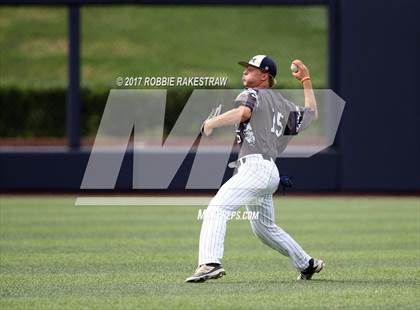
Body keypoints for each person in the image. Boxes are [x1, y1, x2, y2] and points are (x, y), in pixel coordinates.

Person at [185, 55, 324, 283]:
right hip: (268, 170)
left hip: (256, 168)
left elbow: (244, 113)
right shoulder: (282, 103)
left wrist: (210, 123)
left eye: (251, 69)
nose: (245, 71)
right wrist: (306, 80)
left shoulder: (253, 93)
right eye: (246, 68)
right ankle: (306, 264)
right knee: (264, 228)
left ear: (264, 76)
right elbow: (312, 114)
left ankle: (209, 263)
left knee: (216, 209)